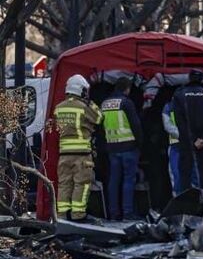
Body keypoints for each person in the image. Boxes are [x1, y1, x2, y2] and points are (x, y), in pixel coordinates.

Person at [53, 75, 102, 221]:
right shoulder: (83, 107)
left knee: (64, 185)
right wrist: (90, 103)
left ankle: (62, 216)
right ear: (80, 90)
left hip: (64, 154)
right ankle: (78, 215)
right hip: (81, 155)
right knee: (81, 184)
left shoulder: (58, 108)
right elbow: (99, 118)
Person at [101, 76, 144, 220]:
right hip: (128, 147)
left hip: (112, 148)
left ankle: (113, 213)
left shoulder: (104, 103)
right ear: (127, 89)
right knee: (128, 180)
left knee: (113, 181)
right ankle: (128, 213)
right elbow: (136, 125)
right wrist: (140, 144)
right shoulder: (126, 102)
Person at [172, 69, 203, 192]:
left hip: (186, 143)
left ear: (189, 78)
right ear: (202, 79)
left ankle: (186, 205)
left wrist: (191, 140)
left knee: (185, 176)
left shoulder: (179, 96)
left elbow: (179, 121)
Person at [162, 94, 187, 195]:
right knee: (178, 175)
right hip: (182, 145)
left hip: (177, 144)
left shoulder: (168, 106)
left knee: (177, 174)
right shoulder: (189, 104)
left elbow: (167, 126)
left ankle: (182, 201)